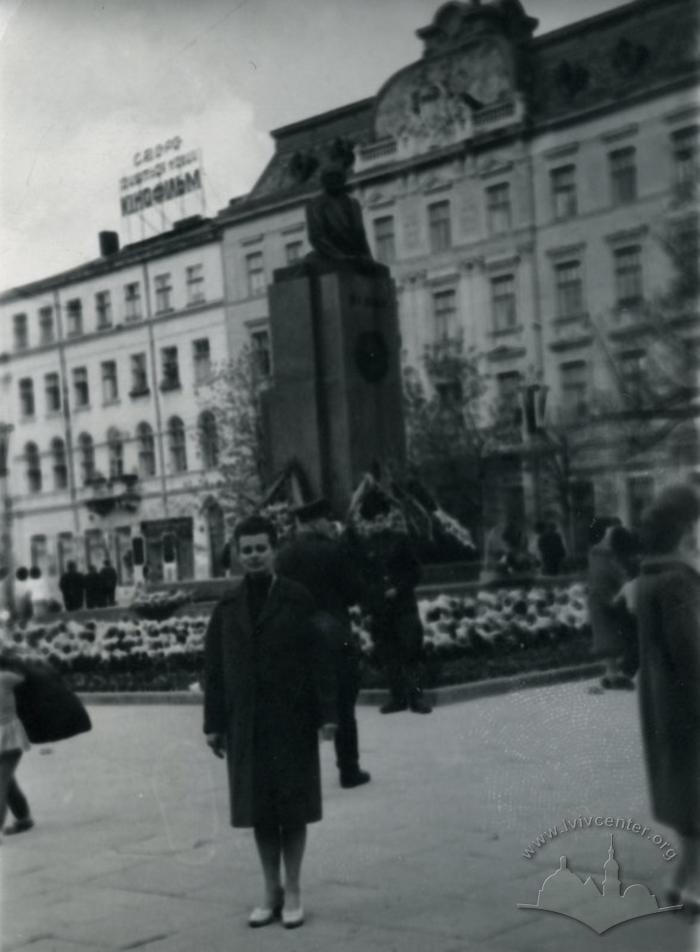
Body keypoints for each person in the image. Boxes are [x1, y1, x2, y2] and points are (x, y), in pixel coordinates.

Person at [202, 514, 337, 929]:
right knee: (259, 810)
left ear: (273, 550)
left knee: (292, 808)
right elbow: (214, 670)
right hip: (247, 724)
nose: (255, 556)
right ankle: (269, 888)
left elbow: (321, 660)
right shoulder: (226, 607)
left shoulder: (298, 598)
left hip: (291, 721)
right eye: (247, 550)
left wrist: (327, 715)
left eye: (261, 548)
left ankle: (293, 888)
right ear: (238, 555)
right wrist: (215, 723)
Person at [635, 484, 700, 911]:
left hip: (665, 704)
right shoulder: (678, 581)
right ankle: (691, 890)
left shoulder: (649, 577)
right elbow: (691, 650)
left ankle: (682, 884)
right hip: (690, 706)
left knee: (688, 800)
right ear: (686, 532)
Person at [276, 498, 371, 790]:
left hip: (298, 636)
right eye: (327, 520)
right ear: (317, 522)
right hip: (334, 634)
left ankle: (302, 776)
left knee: (302, 704)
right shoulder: (335, 550)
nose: (331, 524)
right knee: (343, 702)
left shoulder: (284, 555)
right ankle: (349, 770)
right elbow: (355, 592)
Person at [347, 479, 431, 715]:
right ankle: (398, 698)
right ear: (368, 521)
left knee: (411, 651)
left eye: (382, 518)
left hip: (404, 606)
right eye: (374, 519)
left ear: (387, 517)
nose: (379, 523)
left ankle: (417, 698)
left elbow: (416, 572)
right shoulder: (363, 546)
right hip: (379, 609)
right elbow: (360, 578)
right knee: (388, 653)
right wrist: (369, 600)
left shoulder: (401, 540)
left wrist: (399, 588)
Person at [588, 522, 637, 692]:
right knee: (612, 638)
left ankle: (612, 674)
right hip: (609, 600)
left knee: (607, 639)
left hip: (599, 599)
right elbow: (618, 576)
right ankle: (615, 675)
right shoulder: (606, 556)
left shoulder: (595, 553)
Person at [0, 644, 34, 838]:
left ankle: (23, 818)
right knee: (4, 781)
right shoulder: (6, 678)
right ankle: (22, 819)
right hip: (10, 737)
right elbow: (27, 673)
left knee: (5, 781)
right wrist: (11, 655)